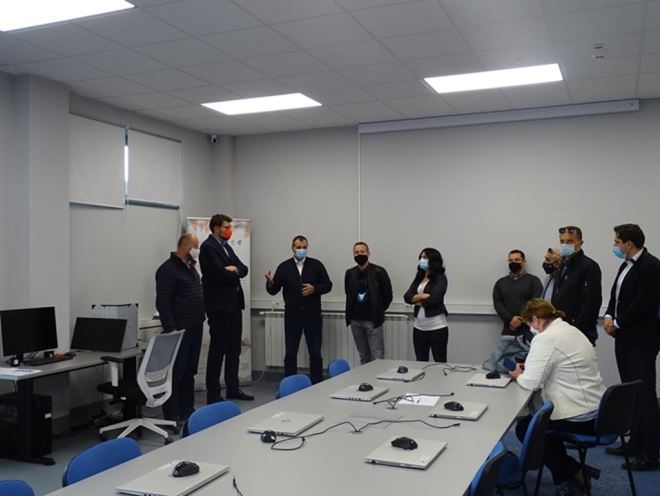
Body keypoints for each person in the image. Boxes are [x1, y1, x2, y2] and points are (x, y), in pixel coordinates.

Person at [510, 298, 606, 495]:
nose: (531, 329)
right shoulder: (571, 330)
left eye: (529, 324)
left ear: (536, 319)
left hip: (580, 416)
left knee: (527, 429)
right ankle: (571, 475)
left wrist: (518, 375)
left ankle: (575, 473)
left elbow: (531, 383)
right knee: (540, 427)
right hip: (598, 410)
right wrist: (532, 369)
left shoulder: (546, 338)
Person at [603, 223, 660, 470]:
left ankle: (650, 454)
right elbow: (616, 296)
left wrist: (618, 322)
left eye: (617, 242)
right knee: (631, 393)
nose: (614, 246)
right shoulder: (625, 264)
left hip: (641, 340)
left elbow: (644, 303)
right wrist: (608, 315)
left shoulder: (651, 266)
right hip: (624, 338)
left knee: (645, 396)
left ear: (629, 243)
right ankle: (635, 444)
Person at [199, 214, 252, 403]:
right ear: (216, 228)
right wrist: (232, 271)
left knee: (233, 350)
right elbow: (219, 274)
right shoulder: (208, 247)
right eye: (226, 227)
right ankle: (213, 393)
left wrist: (234, 269)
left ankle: (233, 388)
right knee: (218, 350)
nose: (230, 230)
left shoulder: (226, 247)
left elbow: (243, 269)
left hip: (234, 304)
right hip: (219, 306)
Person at [265, 235, 332, 384]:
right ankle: (291, 384)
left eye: (304, 247)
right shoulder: (284, 267)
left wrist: (315, 289)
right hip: (292, 316)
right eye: (298, 247)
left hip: (313, 316)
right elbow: (273, 290)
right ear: (292, 248)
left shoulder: (316, 265)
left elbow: (328, 285)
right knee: (290, 353)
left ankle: (317, 384)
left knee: (315, 353)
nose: (301, 250)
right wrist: (270, 283)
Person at [155, 233, 204, 424]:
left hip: (195, 325)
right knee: (177, 372)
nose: (197, 249)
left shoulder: (191, 267)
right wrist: (170, 328)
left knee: (190, 371)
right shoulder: (167, 269)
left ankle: (187, 410)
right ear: (185, 247)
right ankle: (172, 414)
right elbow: (163, 302)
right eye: (195, 246)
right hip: (179, 329)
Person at [551, 225, 602, 345]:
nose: (565, 245)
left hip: (579, 331)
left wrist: (575, 328)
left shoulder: (588, 266)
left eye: (569, 241)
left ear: (580, 243)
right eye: (562, 241)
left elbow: (591, 303)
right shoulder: (563, 264)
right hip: (559, 328)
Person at [344, 242, 393, 364]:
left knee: (377, 356)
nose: (359, 254)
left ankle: (377, 377)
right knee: (363, 356)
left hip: (373, 320)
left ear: (368, 253)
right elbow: (348, 293)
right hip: (355, 320)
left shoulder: (379, 271)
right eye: (356, 252)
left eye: (362, 251)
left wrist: (379, 310)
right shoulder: (349, 273)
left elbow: (388, 295)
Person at [403, 248, 449, 362]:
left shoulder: (441, 278)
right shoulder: (419, 277)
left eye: (424, 257)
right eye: (420, 257)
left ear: (433, 260)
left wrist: (416, 299)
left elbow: (435, 299)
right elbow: (407, 297)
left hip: (437, 327)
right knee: (420, 361)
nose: (421, 260)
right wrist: (422, 296)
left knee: (439, 361)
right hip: (419, 327)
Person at [492, 249, 543, 338]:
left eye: (517, 260)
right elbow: (498, 303)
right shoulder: (500, 283)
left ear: (524, 262)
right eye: (511, 260)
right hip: (508, 329)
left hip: (529, 330)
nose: (513, 262)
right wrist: (511, 319)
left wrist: (521, 319)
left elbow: (536, 303)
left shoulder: (534, 281)